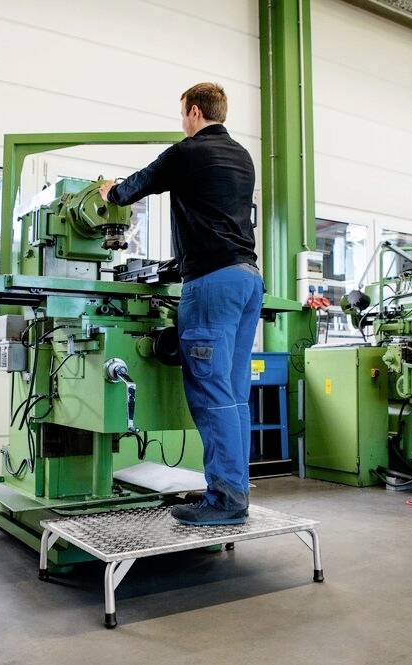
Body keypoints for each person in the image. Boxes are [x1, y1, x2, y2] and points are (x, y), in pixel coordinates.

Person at [98, 82, 262, 526]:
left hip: (210, 285)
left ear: (192, 111)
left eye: (181, 113)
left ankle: (226, 501)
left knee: (212, 396)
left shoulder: (186, 152)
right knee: (232, 397)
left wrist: (107, 191)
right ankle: (235, 491)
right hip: (247, 280)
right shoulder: (242, 157)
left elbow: (133, 188)